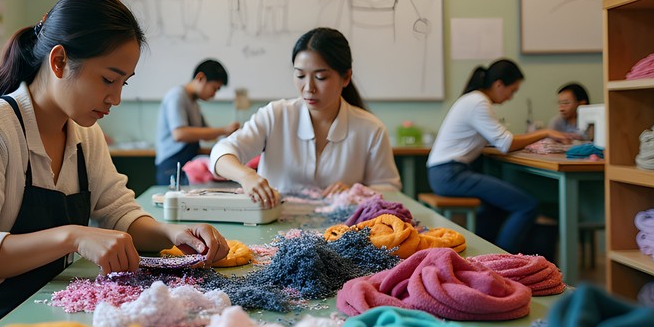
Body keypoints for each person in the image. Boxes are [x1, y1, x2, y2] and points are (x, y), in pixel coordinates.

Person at [0, 0, 229, 327]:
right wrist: (72, 237)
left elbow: (119, 214)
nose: (116, 98)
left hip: (35, 314)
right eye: (108, 79)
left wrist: (173, 233)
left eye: (124, 83)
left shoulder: (85, 135)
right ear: (59, 61)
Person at [209, 27, 401, 207]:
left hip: (341, 230)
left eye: (321, 77)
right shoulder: (275, 115)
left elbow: (389, 189)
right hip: (275, 223)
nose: (309, 88)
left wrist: (356, 192)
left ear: (346, 77)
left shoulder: (371, 129)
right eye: (300, 76)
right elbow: (221, 152)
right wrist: (246, 176)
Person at [426, 59, 573, 254]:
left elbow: (500, 140)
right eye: (512, 91)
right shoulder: (479, 102)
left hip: (443, 172)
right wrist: (545, 132)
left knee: (495, 206)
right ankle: (502, 261)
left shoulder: (472, 100)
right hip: (449, 174)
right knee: (527, 205)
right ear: (498, 85)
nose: (511, 97)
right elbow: (506, 143)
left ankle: (485, 257)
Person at [155, 59, 240, 186]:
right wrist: (224, 130)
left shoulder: (194, 103)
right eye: (214, 88)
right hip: (172, 167)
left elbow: (207, 134)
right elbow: (180, 134)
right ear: (201, 78)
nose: (214, 94)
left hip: (187, 164)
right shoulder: (177, 96)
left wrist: (231, 136)